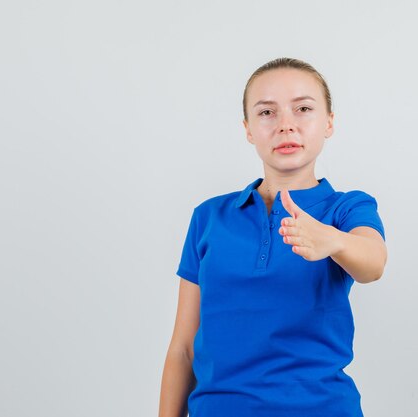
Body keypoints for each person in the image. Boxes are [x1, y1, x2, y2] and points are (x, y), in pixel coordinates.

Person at [158, 57, 388, 417]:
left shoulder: (346, 209)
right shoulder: (209, 217)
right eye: (267, 113)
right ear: (248, 129)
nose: (285, 125)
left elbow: (373, 262)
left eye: (303, 109)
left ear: (329, 122)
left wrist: (333, 241)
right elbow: (183, 348)